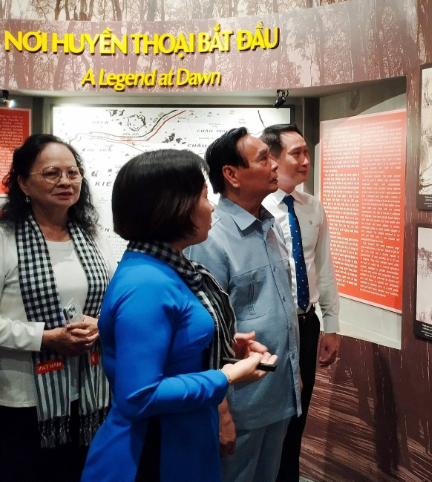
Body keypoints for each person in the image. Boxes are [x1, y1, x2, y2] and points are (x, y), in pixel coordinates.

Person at [82, 149, 276, 482]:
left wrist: (221, 347)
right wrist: (226, 376)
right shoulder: (147, 283)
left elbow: (171, 345)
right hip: (152, 451)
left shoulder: (167, 268)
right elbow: (138, 396)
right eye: (202, 197)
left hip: (180, 440)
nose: (211, 207)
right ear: (171, 207)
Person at [185, 128, 302, 482]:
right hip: (240, 402)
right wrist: (221, 413)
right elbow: (204, 334)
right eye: (263, 158)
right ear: (231, 174)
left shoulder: (270, 225)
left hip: (278, 391)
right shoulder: (211, 237)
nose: (274, 164)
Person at [0, 134, 115, 482]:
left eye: (72, 172)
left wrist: (100, 324)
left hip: (89, 393)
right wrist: (44, 337)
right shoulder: (5, 238)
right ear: (23, 183)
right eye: (51, 173)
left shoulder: (92, 235)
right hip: (23, 400)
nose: (65, 181)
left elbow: (112, 298)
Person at [260, 124, 340, 482]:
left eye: (307, 152)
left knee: (298, 419)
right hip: (271, 330)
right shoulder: (256, 210)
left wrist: (331, 324)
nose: (306, 160)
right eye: (297, 153)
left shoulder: (312, 207)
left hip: (307, 325)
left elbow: (324, 268)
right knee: (268, 423)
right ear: (274, 159)